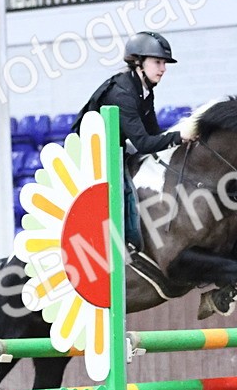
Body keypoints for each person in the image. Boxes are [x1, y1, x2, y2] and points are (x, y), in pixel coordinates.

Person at [71, 31, 184, 253]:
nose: (163, 69)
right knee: (126, 192)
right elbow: (144, 143)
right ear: (138, 62)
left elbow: (154, 133)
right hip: (91, 159)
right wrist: (180, 136)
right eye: (158, 62)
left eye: (164, 63)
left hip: (115, 151)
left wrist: (181, 141)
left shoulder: (144, 90)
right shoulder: (121, 93)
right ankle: (125, 244)